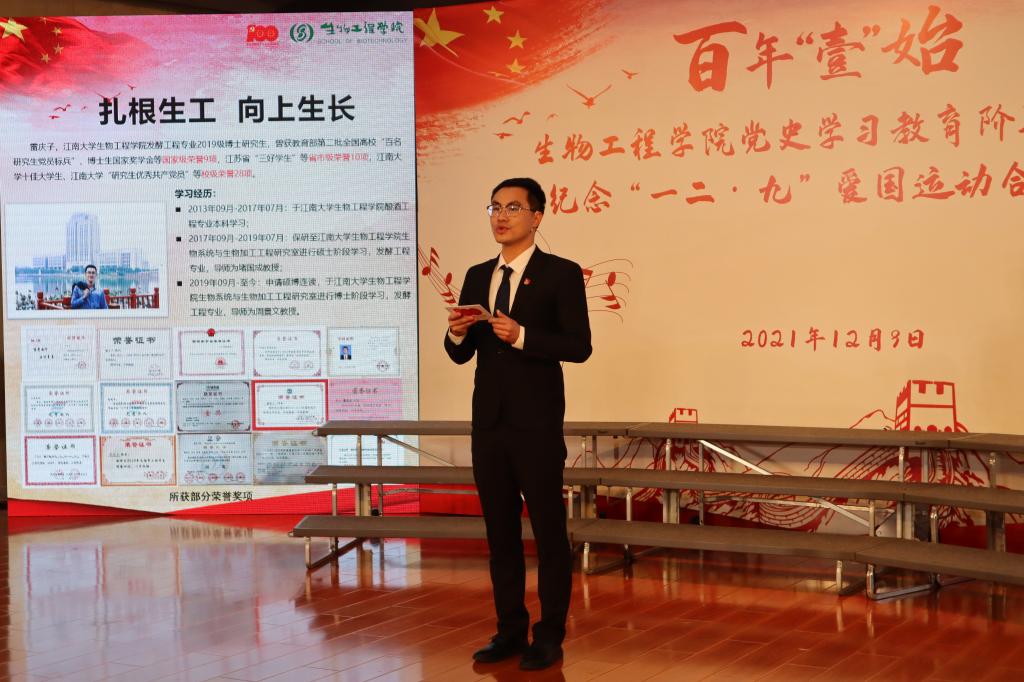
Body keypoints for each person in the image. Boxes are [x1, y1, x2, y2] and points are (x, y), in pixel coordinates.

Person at [445, 177, 592, 671]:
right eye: (494, 207)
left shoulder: (560, 273)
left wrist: (523, 335)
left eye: (512, 207)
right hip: (489, 426)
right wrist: (456, 333)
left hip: (536, 426)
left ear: (537, 216)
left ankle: (549, 635)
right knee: (500, 535)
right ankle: (509, 630)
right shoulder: (476, 275)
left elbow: (579, 346)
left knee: (549, 534)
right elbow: (461, 354)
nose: (501, 216)